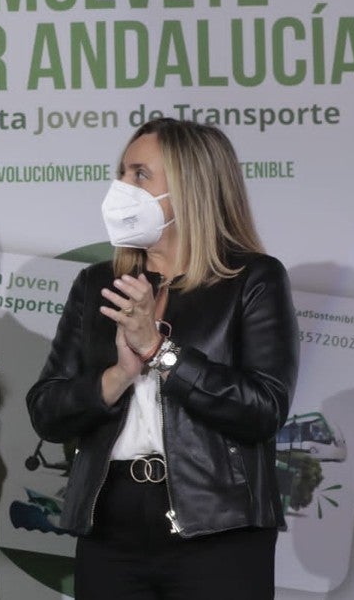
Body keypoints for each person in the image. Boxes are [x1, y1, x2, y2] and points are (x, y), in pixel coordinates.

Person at [26, 118, 299, 599]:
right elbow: (47, 411)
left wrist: (159, 351)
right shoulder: (97, 285)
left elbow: (262, 409)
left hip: (218, 525)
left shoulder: (252, 279)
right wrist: (116, 376)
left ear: (191, 185)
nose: (122, 189)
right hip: (110, 522)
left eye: (139, 175)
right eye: (122, 174)